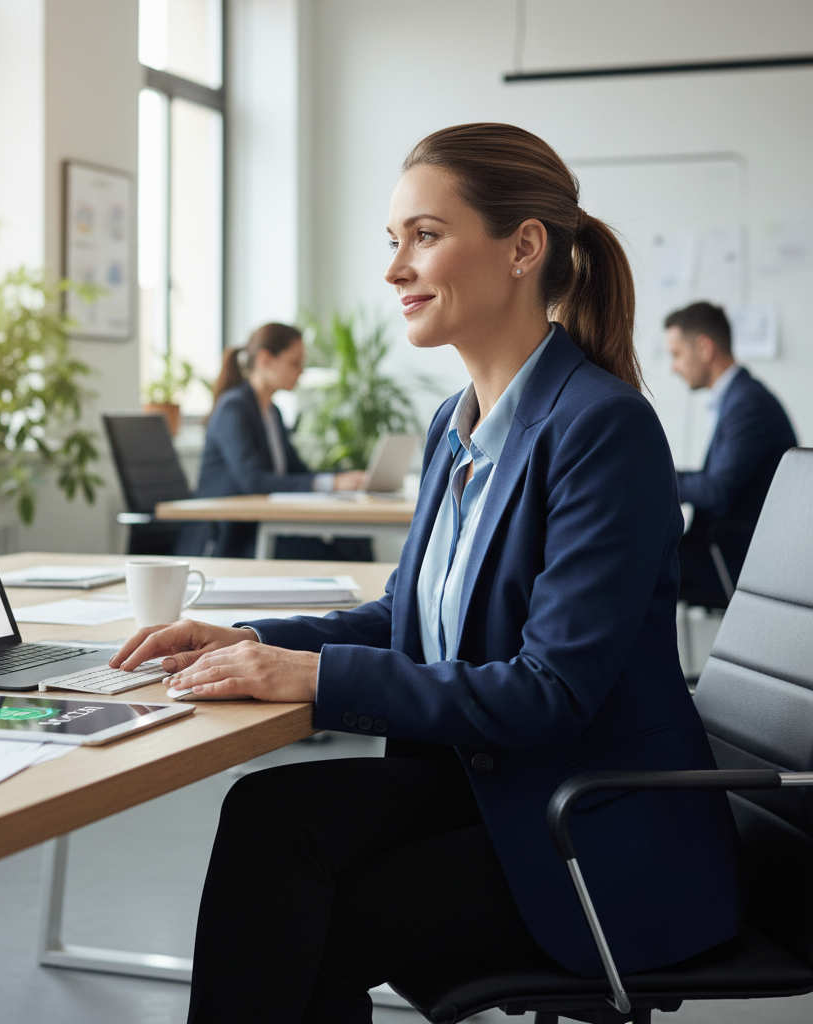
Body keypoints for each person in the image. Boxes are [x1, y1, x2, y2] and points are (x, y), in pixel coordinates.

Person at [112, 123, 740, 1023]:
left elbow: (548, 692)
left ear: (523, 246)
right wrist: (255, 642)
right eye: (394, 240)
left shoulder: (604, 428)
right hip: (492, 785)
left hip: (585, 830)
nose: (395, 267)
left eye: (426, 236)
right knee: (267, 817)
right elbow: (406, 615)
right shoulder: (459, 424)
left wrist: (317, 680)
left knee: (309, 923)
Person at [179, 323, 364, 558]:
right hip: (229, 538)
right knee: (333, 554)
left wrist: (340, 480)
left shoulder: (272, 412)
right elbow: (254, 481)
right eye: (295, 363)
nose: (301, 371)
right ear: (266, 359)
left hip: (262, 528)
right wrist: (331, 484)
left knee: (355, 544)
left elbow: (294, 471)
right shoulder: (233, 409)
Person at [666, 301, 797, 603]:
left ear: (704, 348)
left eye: (676, 354)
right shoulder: (740, 398)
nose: (673, 367)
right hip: (724, 547)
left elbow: (717, 490)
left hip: (733, 556)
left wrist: (659, 480)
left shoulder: (748, 403)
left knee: (631, 565)